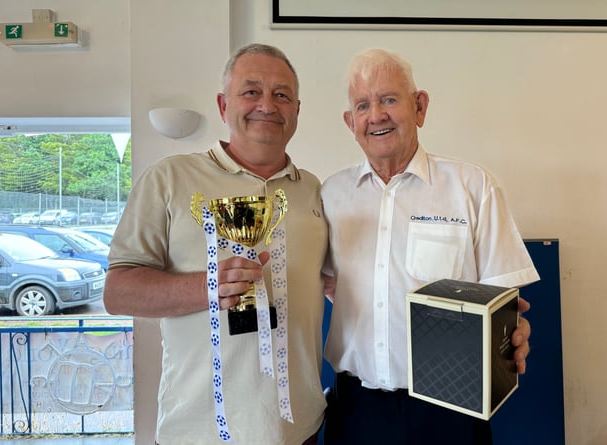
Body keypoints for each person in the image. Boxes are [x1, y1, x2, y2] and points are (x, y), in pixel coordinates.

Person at [104, 43, 328, 445]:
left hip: (298, 430)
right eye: (251, 91)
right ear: (224, 106)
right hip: (198, 432)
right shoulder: (170, 178)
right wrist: (208, 286)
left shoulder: (313, 190)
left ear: (296, 111)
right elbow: (117, 292)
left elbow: (336, 280)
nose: (267, 104)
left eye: (282, 95)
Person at [321, 48, 540, 445]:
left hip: (451, 411)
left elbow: (505, 301)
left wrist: (514, 330)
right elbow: (324, 282)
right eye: (363, 105)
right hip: (356, 411)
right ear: (350, 122)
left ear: (419, 107)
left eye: (389, 99)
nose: (377, 115)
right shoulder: (329, 196)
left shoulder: (473, 187)